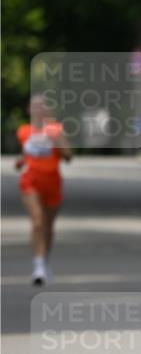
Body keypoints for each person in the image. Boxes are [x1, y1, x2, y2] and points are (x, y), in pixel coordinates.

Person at [15, 94, 72, 285]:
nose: (39, 109)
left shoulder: (56, 130)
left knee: (47, 227)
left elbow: (68, 156)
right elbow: (27, 156)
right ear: (29, 110)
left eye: (43, 106)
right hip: (30, 182)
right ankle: (38, 268)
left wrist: (54, 137)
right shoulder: (23, 131)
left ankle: (45, 261)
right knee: (37, 221)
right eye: (35, 106)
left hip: (52, 184)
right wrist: (20, 162)